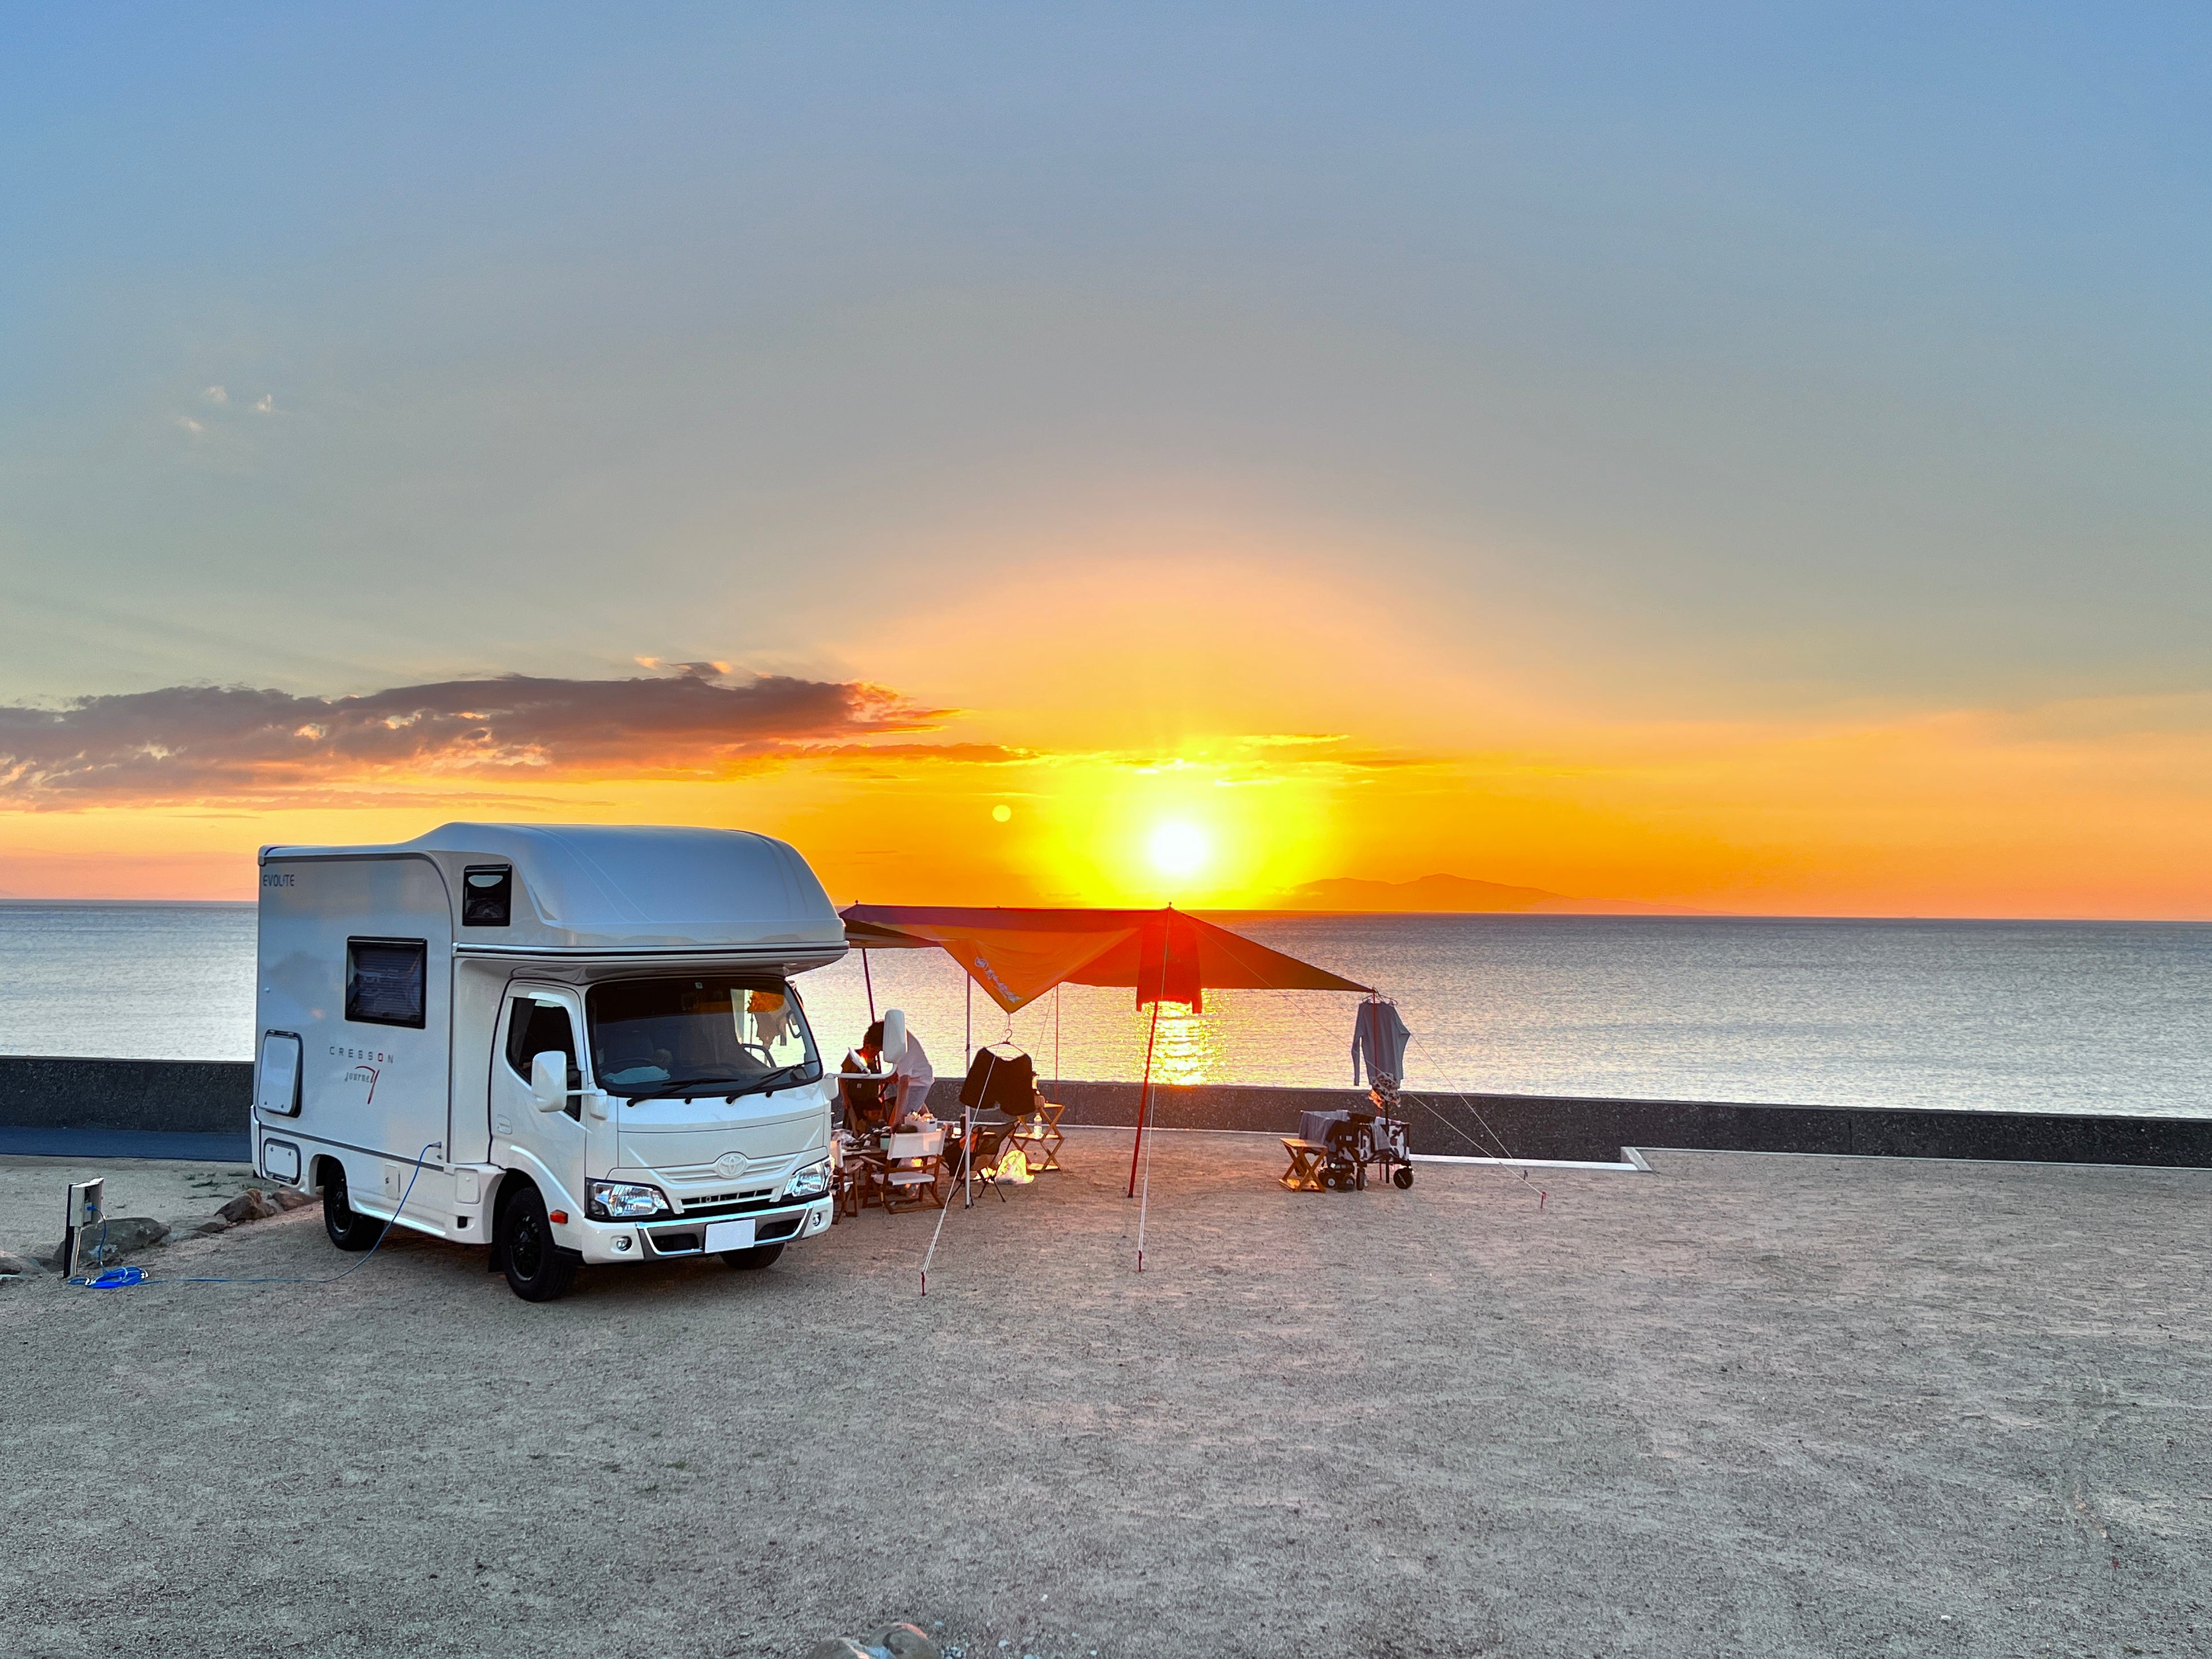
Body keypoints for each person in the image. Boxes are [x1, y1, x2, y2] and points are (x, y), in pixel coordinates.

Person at [855, 1010, 934, 1130]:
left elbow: (904, 1084)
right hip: (914, 1076)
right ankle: (930, 1129)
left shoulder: (904, 1050)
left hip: (919, 1081)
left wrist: (897, 1119)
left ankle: (923, 1136)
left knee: (905, 1119)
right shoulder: (897, 1036)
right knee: (918, 1111)